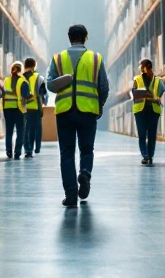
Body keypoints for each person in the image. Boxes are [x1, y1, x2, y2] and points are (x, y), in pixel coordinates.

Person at [46, 24, 109, 207]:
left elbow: (50, 85)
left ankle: (71, 196)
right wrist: (99, 104)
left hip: (65, 112)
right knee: (87, 149)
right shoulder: (96, 58)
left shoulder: (58, 59)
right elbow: (104, 87)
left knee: (66, 153)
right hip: (88, 111)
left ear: (69, 37)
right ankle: (85, 173)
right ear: (86, 37)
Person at [132, 59, 164, 166]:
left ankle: (150, 155)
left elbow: (160, 93)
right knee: (142, 134)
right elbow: (134, 94)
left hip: (153, 111)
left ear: (146, 67)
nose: (141, 69)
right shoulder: (137, 79)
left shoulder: (158, 81)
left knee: (151, 135)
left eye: (142, 67)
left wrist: (156, 97)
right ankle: (145, 156)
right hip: (140, 110)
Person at [2, 61, 31, 160]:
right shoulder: (23, 82)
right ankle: (17, 152)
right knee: (20, 131)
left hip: (7, 108)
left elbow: (2, 93)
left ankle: (9, 151)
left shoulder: (6, 80)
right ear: (21, 70)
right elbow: (26, 96)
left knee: (9, 131)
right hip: (19, 109)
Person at [21, 57, 47, 158]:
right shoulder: (39, 78)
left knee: (26, 130)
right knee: (36, 128)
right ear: (34, 66)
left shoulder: (21, 78)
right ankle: (37, 148)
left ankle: (28, 150)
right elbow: (43, 92)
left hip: (23, 108)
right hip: (35, 107)